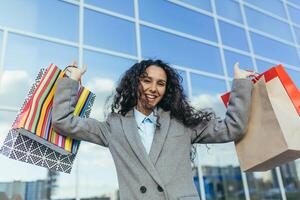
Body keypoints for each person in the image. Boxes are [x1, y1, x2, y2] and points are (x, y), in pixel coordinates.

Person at [52, 59, 254, 200]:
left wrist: (241, 84)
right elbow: (63, 121)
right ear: (135, 82)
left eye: (160, 83)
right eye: (146, 80)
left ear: (167, 90)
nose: (153, 88)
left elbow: (232, 128)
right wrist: (71, 82)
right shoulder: (114, 126)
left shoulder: (182, 123)